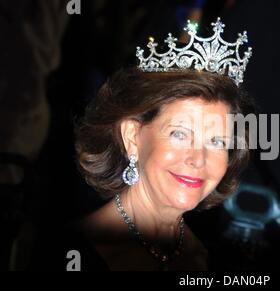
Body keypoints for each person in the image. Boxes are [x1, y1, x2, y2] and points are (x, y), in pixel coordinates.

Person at [30, 18, 254, 271]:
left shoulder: (219, 257)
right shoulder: (69, 256)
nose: (198, 159)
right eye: (179, 134)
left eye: (216, 141)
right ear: (132, 137)